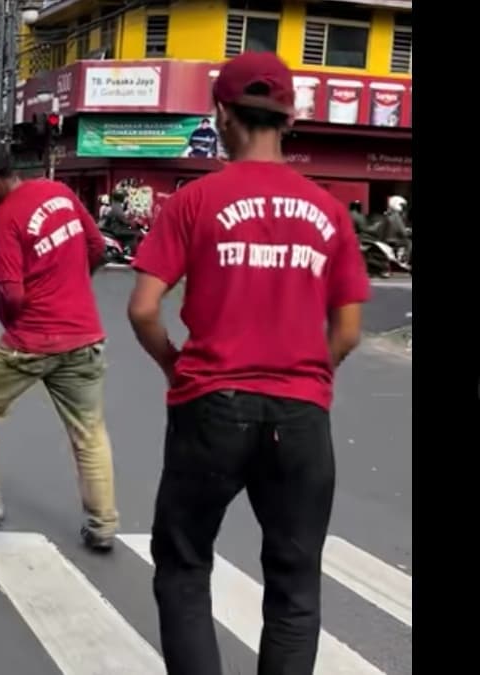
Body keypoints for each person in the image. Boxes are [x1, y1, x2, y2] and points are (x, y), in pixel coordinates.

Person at [126, 52, 370, 675]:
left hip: (211, 405)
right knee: (294, 587)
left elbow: (144, 309)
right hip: (302, 416)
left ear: (223, 115)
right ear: (289, 119)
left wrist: (175, 367)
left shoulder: (192, 202)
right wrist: (309, 374)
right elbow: (347, 330)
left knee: (184, 567)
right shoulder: (330, 213)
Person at [0, 136, 118, 552]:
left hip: (31, 340)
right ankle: (102, 526)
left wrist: (12, 323)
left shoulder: (3, 218)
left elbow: (12, 294)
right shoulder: (59, 192)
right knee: (89, 431)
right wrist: (72, 288)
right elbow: (97, 249)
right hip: (84, 334)